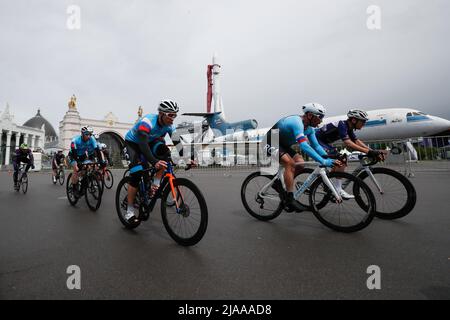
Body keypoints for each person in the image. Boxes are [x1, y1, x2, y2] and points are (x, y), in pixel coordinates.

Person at [262, 103, 342, 211]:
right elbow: (304, 146)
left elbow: (316, 146)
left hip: (283, 145)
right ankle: (289, 198)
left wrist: (326, 156)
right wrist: (322, 160)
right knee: (289, 163)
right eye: (319, 118)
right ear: (310, 115)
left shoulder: (309, 129)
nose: (321, 121)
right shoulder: (296, 122)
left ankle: (284, 185)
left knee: (300, 162)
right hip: (270, 141)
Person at [123, 99, 193, 222]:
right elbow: (143, 146)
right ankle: (129, 210)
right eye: (170, 115)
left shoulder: (170, 126)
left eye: (175, 115)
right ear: (161, 114)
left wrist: (187, 159)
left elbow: (178, 143)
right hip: (134, 143)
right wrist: (155, 161)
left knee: (165, 153)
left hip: (150, 142)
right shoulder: (148, 122)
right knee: (137, 173)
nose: (173, 118)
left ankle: (155, 184)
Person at [315, 109, 386, 199]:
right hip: (317, 141)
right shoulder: (342, 124)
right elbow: (348, 143)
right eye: (362, 122)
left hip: (325, 143)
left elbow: (356, 141)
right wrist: (369, 152)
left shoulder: (349, 128)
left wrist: (372, 151)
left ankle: (329, 183)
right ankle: (337, 188)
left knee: (340, 162)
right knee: (341, 160)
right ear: (354, 120)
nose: (364, 124)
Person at [67, 126, 105, 195]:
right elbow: (74, 152)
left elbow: (97, 150)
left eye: (90, 134)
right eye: (87, 134)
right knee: (76, 168)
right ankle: (74, 187)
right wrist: (78, 162)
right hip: (73, 155)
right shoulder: (75, 140)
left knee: (88, 168)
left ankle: (83, 183)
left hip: (82, 156)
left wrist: (101, 161)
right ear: (82, 134)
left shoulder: (92, 139)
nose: (89, 136)